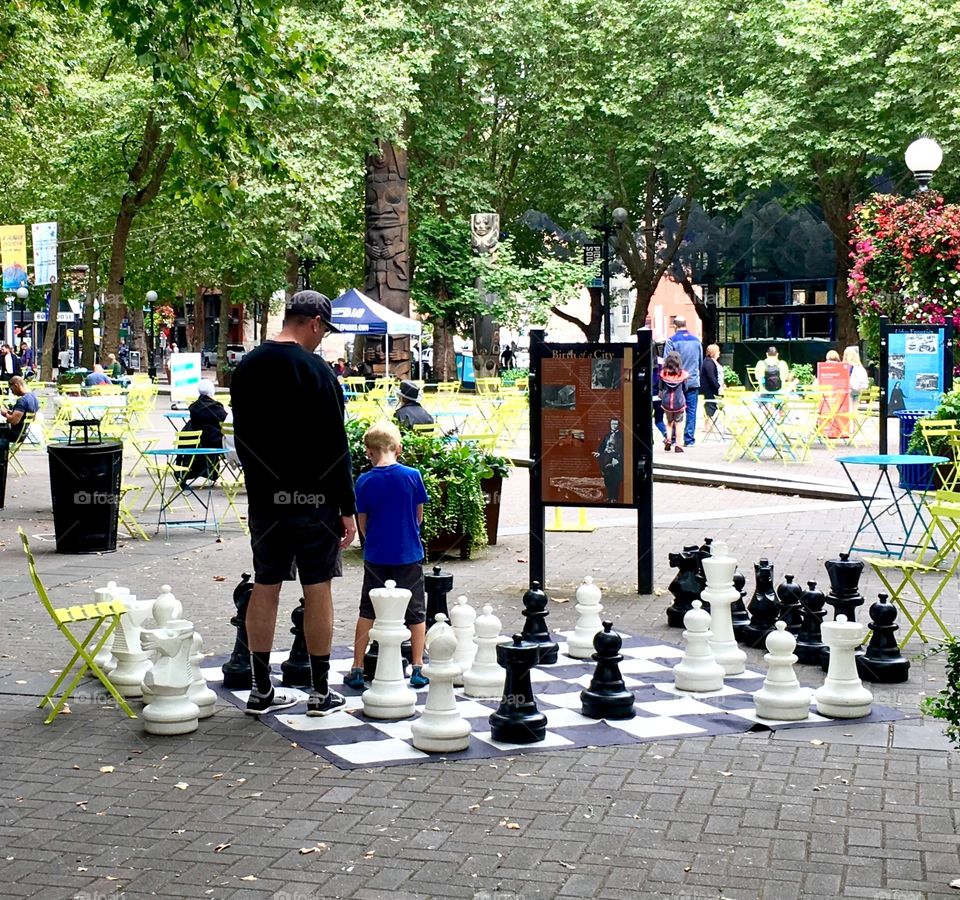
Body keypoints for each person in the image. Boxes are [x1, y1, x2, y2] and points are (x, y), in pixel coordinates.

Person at [231, 290, 356, 718]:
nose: (322, 339)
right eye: (324, 331)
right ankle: (320, 693)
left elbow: (242, 439)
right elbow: (336, 445)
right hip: (315, 501)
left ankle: (260, 689)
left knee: (266, 586)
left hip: (266, 501)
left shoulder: (247, 366)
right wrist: (347, 507)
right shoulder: (318, 371)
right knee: (317, 588)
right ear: (315, 322)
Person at [343, 420, 430, 691]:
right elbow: (418, 517)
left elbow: (363, 523)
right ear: (398, 448)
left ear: (369, 451)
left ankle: (357, 667)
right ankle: (417, 667)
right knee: (415, 612)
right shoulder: (413, 476)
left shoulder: (364, 480)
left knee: (368, 610)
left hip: (376, 556)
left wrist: (375, 541)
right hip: (409, 554)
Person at [663, 316, 702, 447]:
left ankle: (674, 438)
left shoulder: (671, 341)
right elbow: (700, 362)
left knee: (674, 409)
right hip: (692, 380)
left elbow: (667, 362)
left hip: (676, 383)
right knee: (691, 410)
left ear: (675, 326)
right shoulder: (696, 340)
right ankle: (689, 439)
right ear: (685, 324)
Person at [180, 379, 227, 482]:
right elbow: (226, 422)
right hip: (215, 443)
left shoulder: (194, 408)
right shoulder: (217, 407)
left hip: (198, 442)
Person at [659, 351, 689, 452]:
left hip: (666, 402)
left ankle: (668, 439)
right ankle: (678, 445)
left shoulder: (663, 373)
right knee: (679, 422)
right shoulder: (682, 374)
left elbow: (660, 387)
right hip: (679, 402)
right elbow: (685, 388)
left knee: (669, 421)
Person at [593, 418, 624, 502]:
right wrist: (599, 453)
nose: (614, 426)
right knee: (607, 479)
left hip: (615, 459)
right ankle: (609, 497)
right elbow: (602, 446)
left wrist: (618, 459)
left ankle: (614, 498)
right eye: (612, 424)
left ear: (618, 425)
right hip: (606, 458)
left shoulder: (622, 436)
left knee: (615, 479)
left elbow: (623, 449)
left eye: (616, 424)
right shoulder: (607, 435)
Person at [0, 376, 39, 442]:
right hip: (23, 433)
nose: (12, 393)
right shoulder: (33, 398)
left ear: (16, 386)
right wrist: (11, 412)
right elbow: (32, 418)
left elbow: (14, 421)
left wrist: (5, 414)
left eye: (12, 389)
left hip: (15, 434)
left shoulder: (22, 401)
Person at [700, 344, 724, 419]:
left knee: (714, 407)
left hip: (712, 390)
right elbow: (711, 377)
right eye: (718, 351)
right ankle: (709, 424)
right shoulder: (709, 363)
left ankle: (710, 423)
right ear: (713, 352)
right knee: (710, 408)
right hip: (710, 390)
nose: (719, 353)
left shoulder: (711, 361)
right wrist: (718, 386)